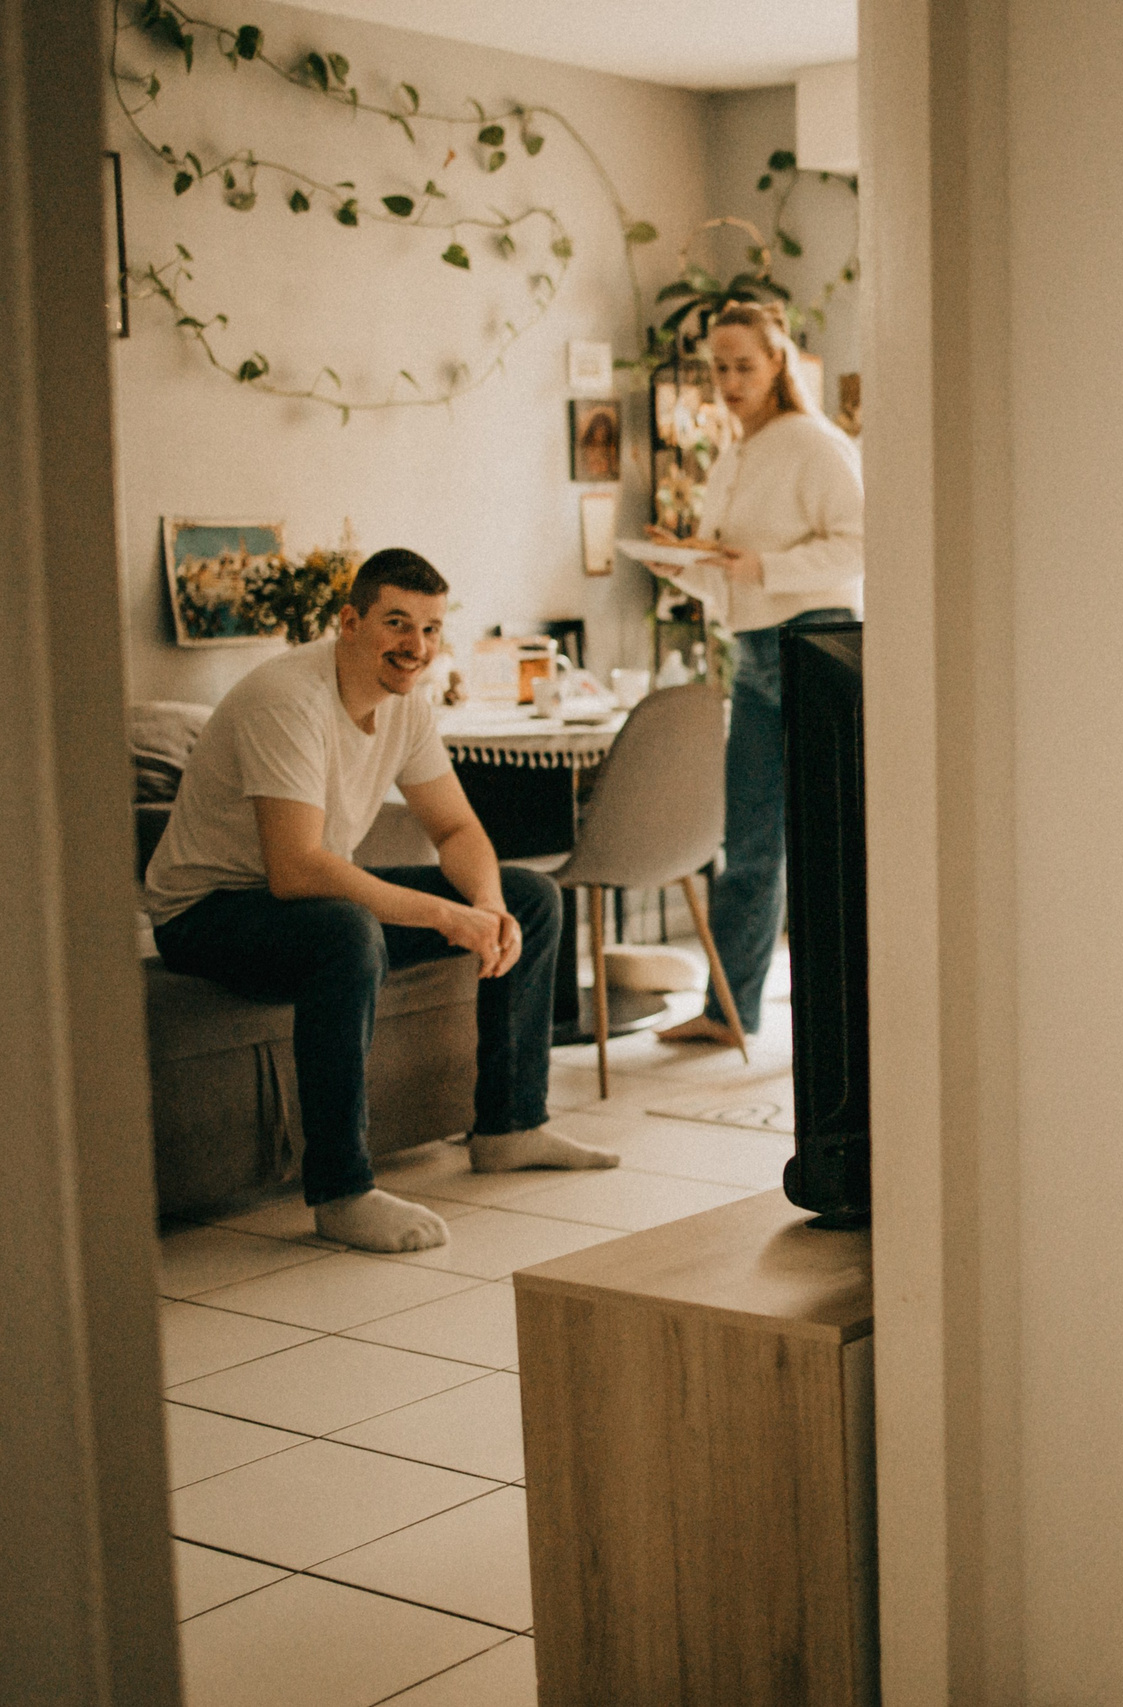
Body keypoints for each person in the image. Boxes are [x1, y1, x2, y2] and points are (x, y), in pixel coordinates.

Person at [144, 548, 617, 1254]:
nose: (416, 647)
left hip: (290, 896)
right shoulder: (288, 700)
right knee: (346, 932)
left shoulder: (407, 706)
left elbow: (456, 828)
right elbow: (296, 870)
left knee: (531, 896)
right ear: (350, 621)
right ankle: (340, 1191)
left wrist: (486, 906)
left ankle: (509, 1127)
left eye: (430, 629)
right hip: (204, 910)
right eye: (398, 623)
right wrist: (442, 914)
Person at [647, 300, 863, 1049]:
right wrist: (685, 563)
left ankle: (840, 1016)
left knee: (819, 840)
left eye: (745, 364)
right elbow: (732, 579)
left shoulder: (814, 443)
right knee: (749, 838)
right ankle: (729, 1010)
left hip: (812, 644)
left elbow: (862, 544)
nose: (731, 380)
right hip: (753, 648)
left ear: (777, 363)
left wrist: (761, 567)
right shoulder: (732, 454)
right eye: (720, 367)